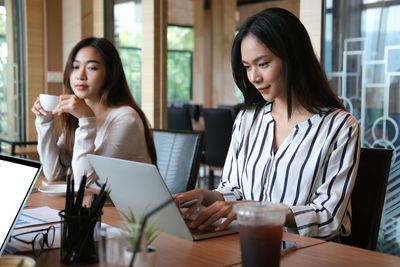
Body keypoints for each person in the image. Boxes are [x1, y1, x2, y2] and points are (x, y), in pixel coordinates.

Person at [174, 8, 360, 239]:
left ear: (293, 58)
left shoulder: (340, 126)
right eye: (247, 67)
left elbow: (328, 216)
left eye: (263, 64)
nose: (253, 78)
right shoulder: (247, 119)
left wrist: (258, 211)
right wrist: (207, 196)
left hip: (306, 250)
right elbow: (234, 189)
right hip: (246, 241)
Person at [32, 37, 157, 185]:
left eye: (92, 68)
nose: (80, 76)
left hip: (135, 208)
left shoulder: (126, 118)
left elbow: (83, 180)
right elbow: (54, 173)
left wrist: (86, 120)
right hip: (96, 206)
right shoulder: (78, 115)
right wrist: (44, 121)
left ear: (110, 74)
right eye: (75, 67)